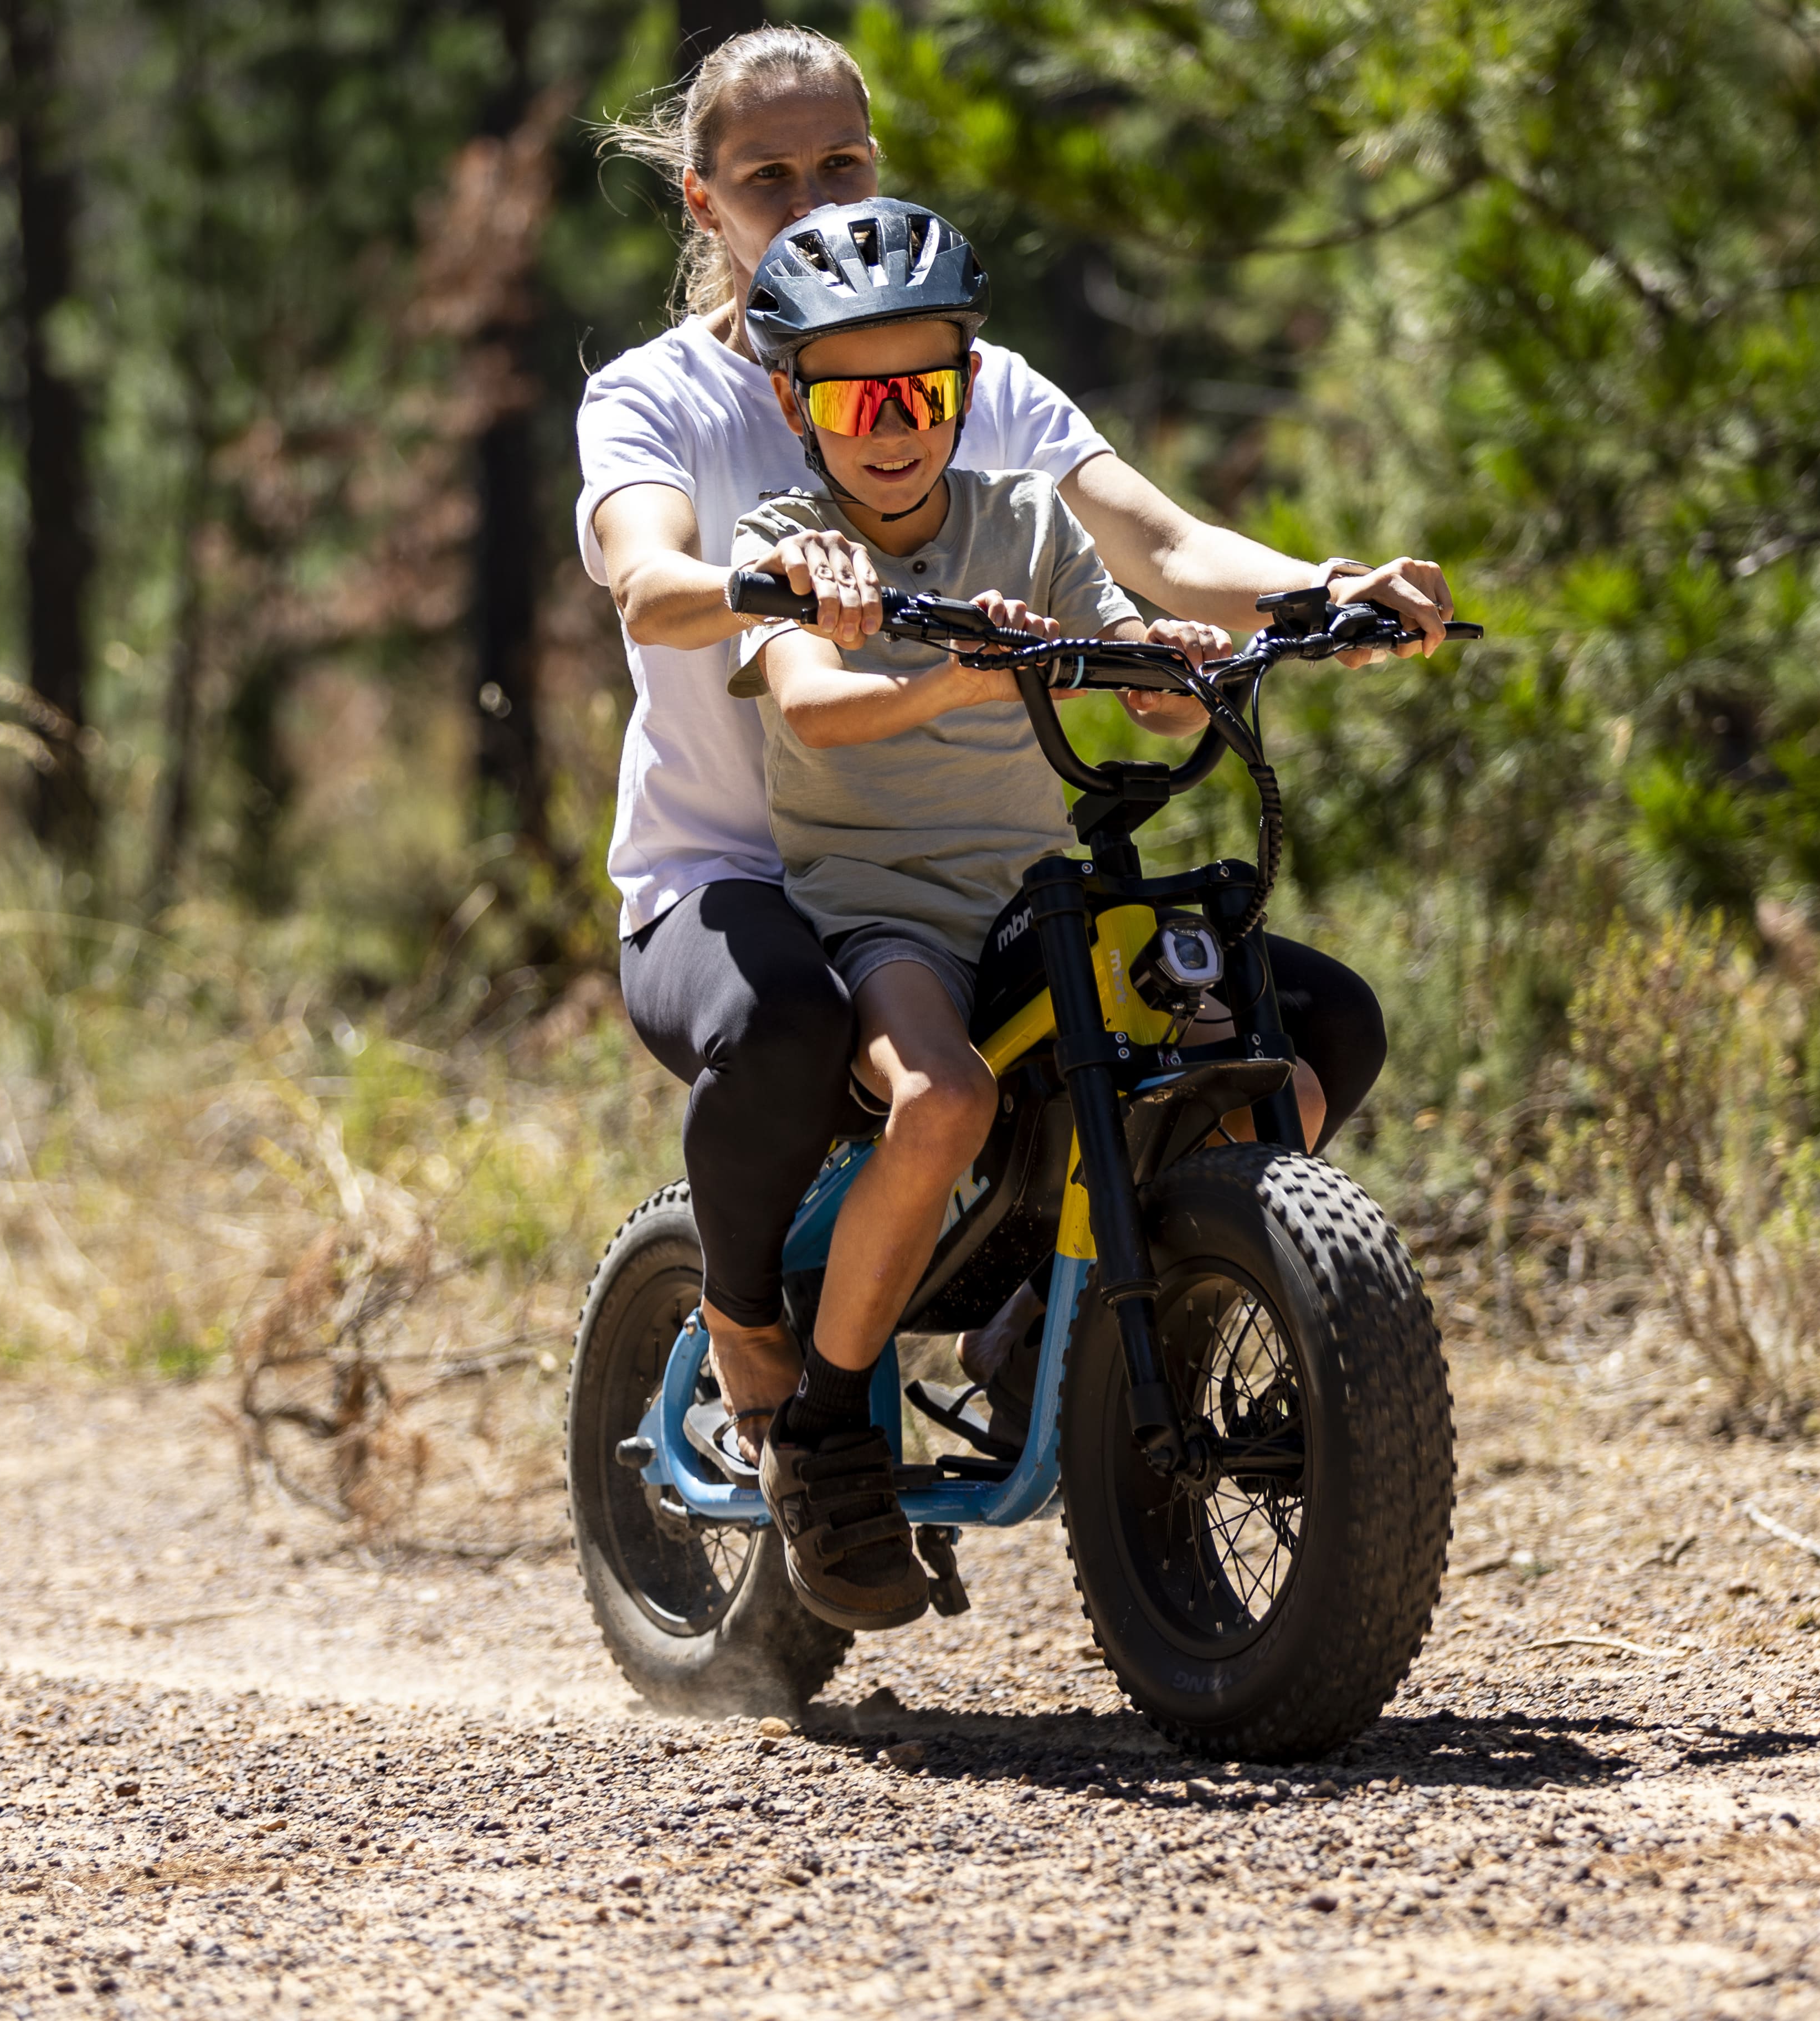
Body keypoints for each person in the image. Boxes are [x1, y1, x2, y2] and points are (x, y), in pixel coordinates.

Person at [578, 27, 1455, 1463]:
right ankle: (748, 1333)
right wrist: (770, 590)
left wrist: (1324, 591)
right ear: (704, 202)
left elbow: (1160, 541)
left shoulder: (967, 375)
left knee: (1318, 1022)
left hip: (964, 852)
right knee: (790, 1028)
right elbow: (646, 577)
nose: (808, 199)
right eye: (767, 177)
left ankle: (1062, 1336)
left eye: (840, 164)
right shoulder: (658, 399)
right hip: (735, 874)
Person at [725, 198, 1269, 1629]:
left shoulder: (1022, 522)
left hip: (1032, 902)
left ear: (964, 388)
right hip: (880, 916)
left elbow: (1120, 652)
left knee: (1268, 1028)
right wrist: (955, 678)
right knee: (944, 1103)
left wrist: (1168, 668)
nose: (891, 426)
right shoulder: (791, 541)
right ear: (797, 405)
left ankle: (1065, 1329)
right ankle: (828, 1431)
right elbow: (814, 709)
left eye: (921, 390)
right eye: (855, 397)